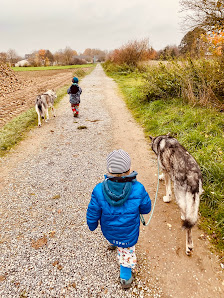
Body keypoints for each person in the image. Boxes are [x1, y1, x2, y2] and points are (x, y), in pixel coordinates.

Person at [86, 149, 151, 289]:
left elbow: (92, 211)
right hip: (129, 233)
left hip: (109, 230)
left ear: (109, 171)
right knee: (126, 251)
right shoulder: (138, 188)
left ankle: (113, 242)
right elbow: (146, 208)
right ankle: (125, 278)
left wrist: (92, 225)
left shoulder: (99, 190)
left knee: (114, 234)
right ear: (128, 170)